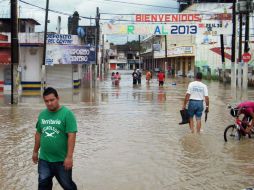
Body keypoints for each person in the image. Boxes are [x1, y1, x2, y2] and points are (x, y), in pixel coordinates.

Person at [32, 87, 78, 190]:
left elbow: (72, 136)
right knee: (43, 185)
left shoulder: (67, 114)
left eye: (52, 100)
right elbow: (38, 134)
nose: (49, 103)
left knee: (68, 186)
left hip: (62, 161)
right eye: (46, 101)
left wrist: (69, 157)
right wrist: (35, 152)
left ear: (58, 98)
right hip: (44, 160)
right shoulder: (42, 114)